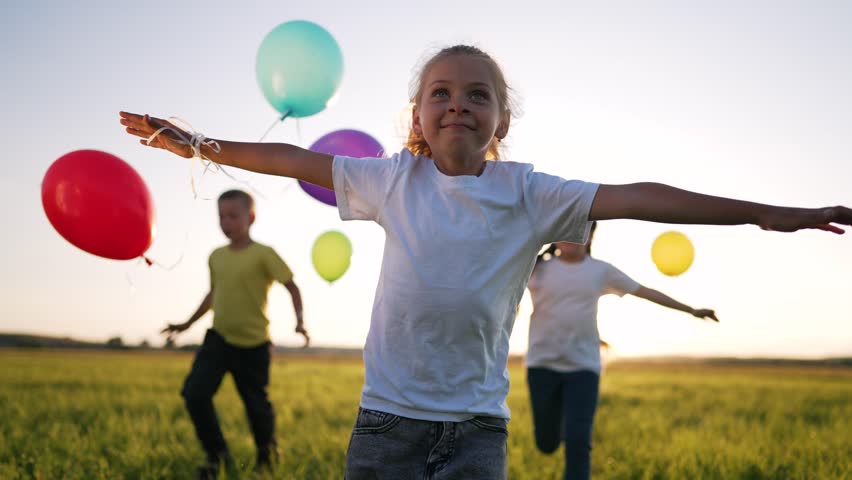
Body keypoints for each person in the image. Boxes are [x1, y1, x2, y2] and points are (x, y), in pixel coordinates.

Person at [120, 44, 850, 479]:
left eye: (479, 95)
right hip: (385, 426)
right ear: (417, 117)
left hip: (475, 433)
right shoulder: (387, 180)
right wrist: (196, 143)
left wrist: (761, 212)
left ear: (502, 119)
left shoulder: (530, 194)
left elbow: (638, 196)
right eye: (441, 93)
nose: (458, 104)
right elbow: (290, 158)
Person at [526, 222, 717, 479]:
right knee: (546, 444)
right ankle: (559, 427)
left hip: (584, 368)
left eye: (577, 229)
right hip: (542, 367)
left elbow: (645, 292)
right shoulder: (537, 268)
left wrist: (691, 309)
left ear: (590, 235)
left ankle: (571, 431)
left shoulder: (600, 271)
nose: (569, 236)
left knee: (579, 443)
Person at [160, 189, 307, 479]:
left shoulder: (263, 254)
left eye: (232, 216)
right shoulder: (216, 256)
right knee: (194, 394)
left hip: (254, 345)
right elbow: (213, 294)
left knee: (256, 407)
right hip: (219, 339)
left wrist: (300, 321)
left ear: (250, 217)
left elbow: (291, 285)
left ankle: (267, 457)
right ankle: (217, 456)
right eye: (221, 216)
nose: (225, 222)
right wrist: (186, 324)